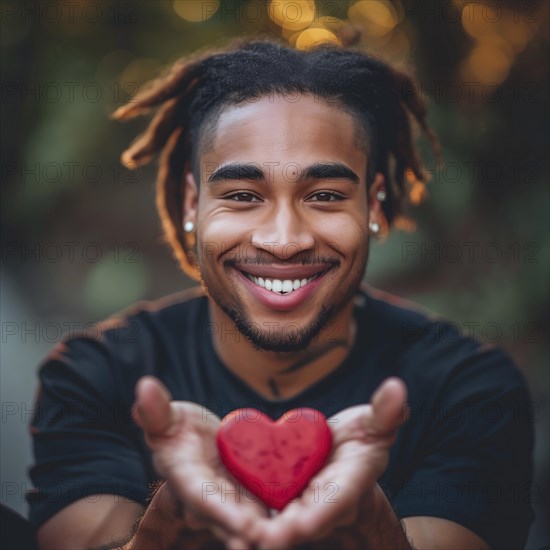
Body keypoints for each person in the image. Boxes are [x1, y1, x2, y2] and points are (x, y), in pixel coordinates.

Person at [27, 38, 534, 549]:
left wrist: (375, 533)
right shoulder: (93, 378)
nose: (284, 240)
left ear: (374, 207)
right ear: (190, 203)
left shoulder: (470, 392)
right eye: (244, 196)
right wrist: (161, 531)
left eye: (326, 196)